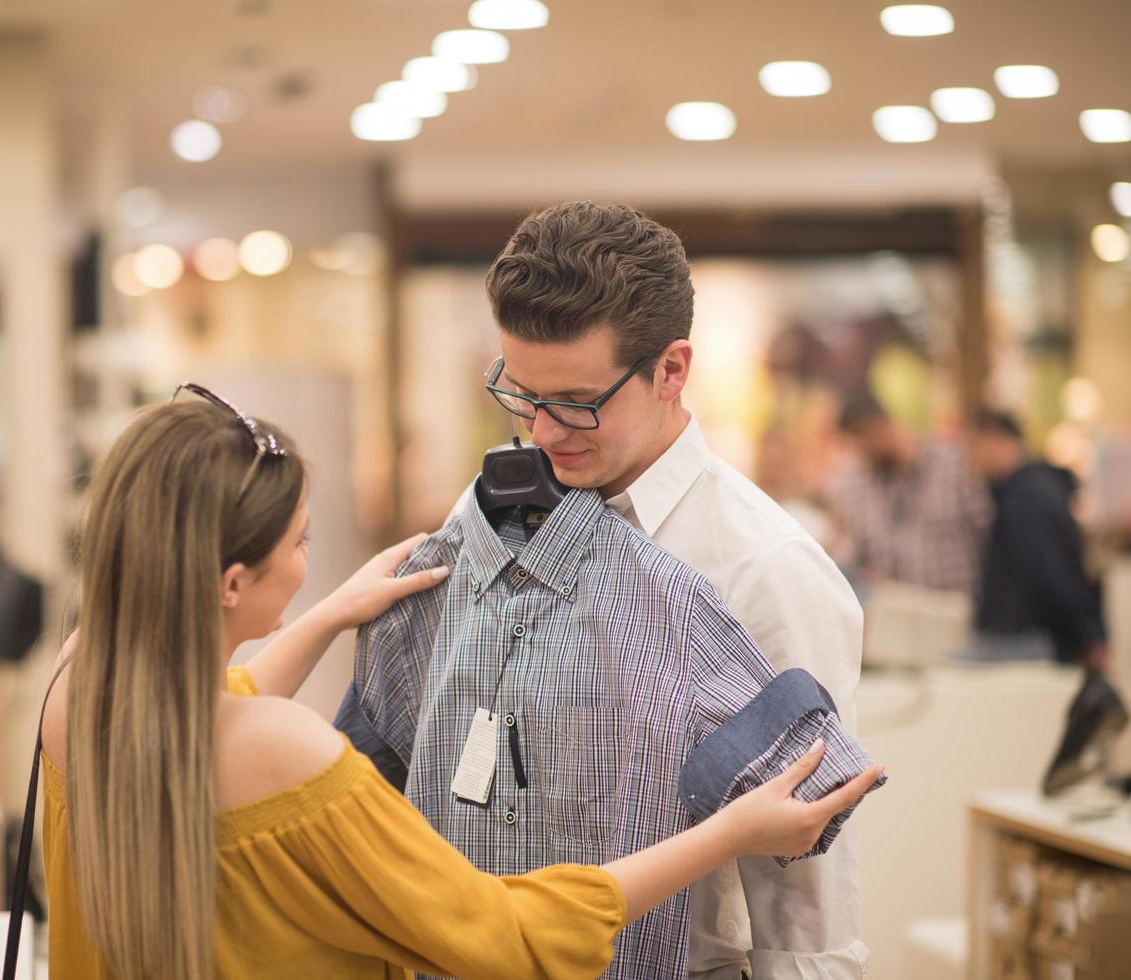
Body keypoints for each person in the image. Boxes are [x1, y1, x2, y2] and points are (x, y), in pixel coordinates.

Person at [35, 392, 880, 979]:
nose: (308, 561)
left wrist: (329, 616)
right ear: (229, 583)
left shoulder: (79, 691)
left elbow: (210, 709)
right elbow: (502, 933)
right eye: (298, 543)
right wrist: (728, 833)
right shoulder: (288, 750)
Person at [341, 201, 871, 978]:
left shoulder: (762, 568)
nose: (545, 434)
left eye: (578, 404)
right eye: (521, 395)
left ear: (671, 370)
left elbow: (806, 896)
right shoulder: (482, 514)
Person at [966, 408, 1107, 667]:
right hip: (1036, 638)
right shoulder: (1038, 489)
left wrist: (1086, 635)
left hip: (1026, 639)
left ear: (993, 440)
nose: (973, 461)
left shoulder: (1025, 500)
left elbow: (1050, 573)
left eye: (974, 448)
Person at [831, 392, 989, 595]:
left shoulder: (953, 467)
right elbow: (855, 559)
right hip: (895, 613)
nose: (867, 446)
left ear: (886, 423)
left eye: (869, 434)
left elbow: (986, 533)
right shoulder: (854, 490)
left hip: (956, 607)